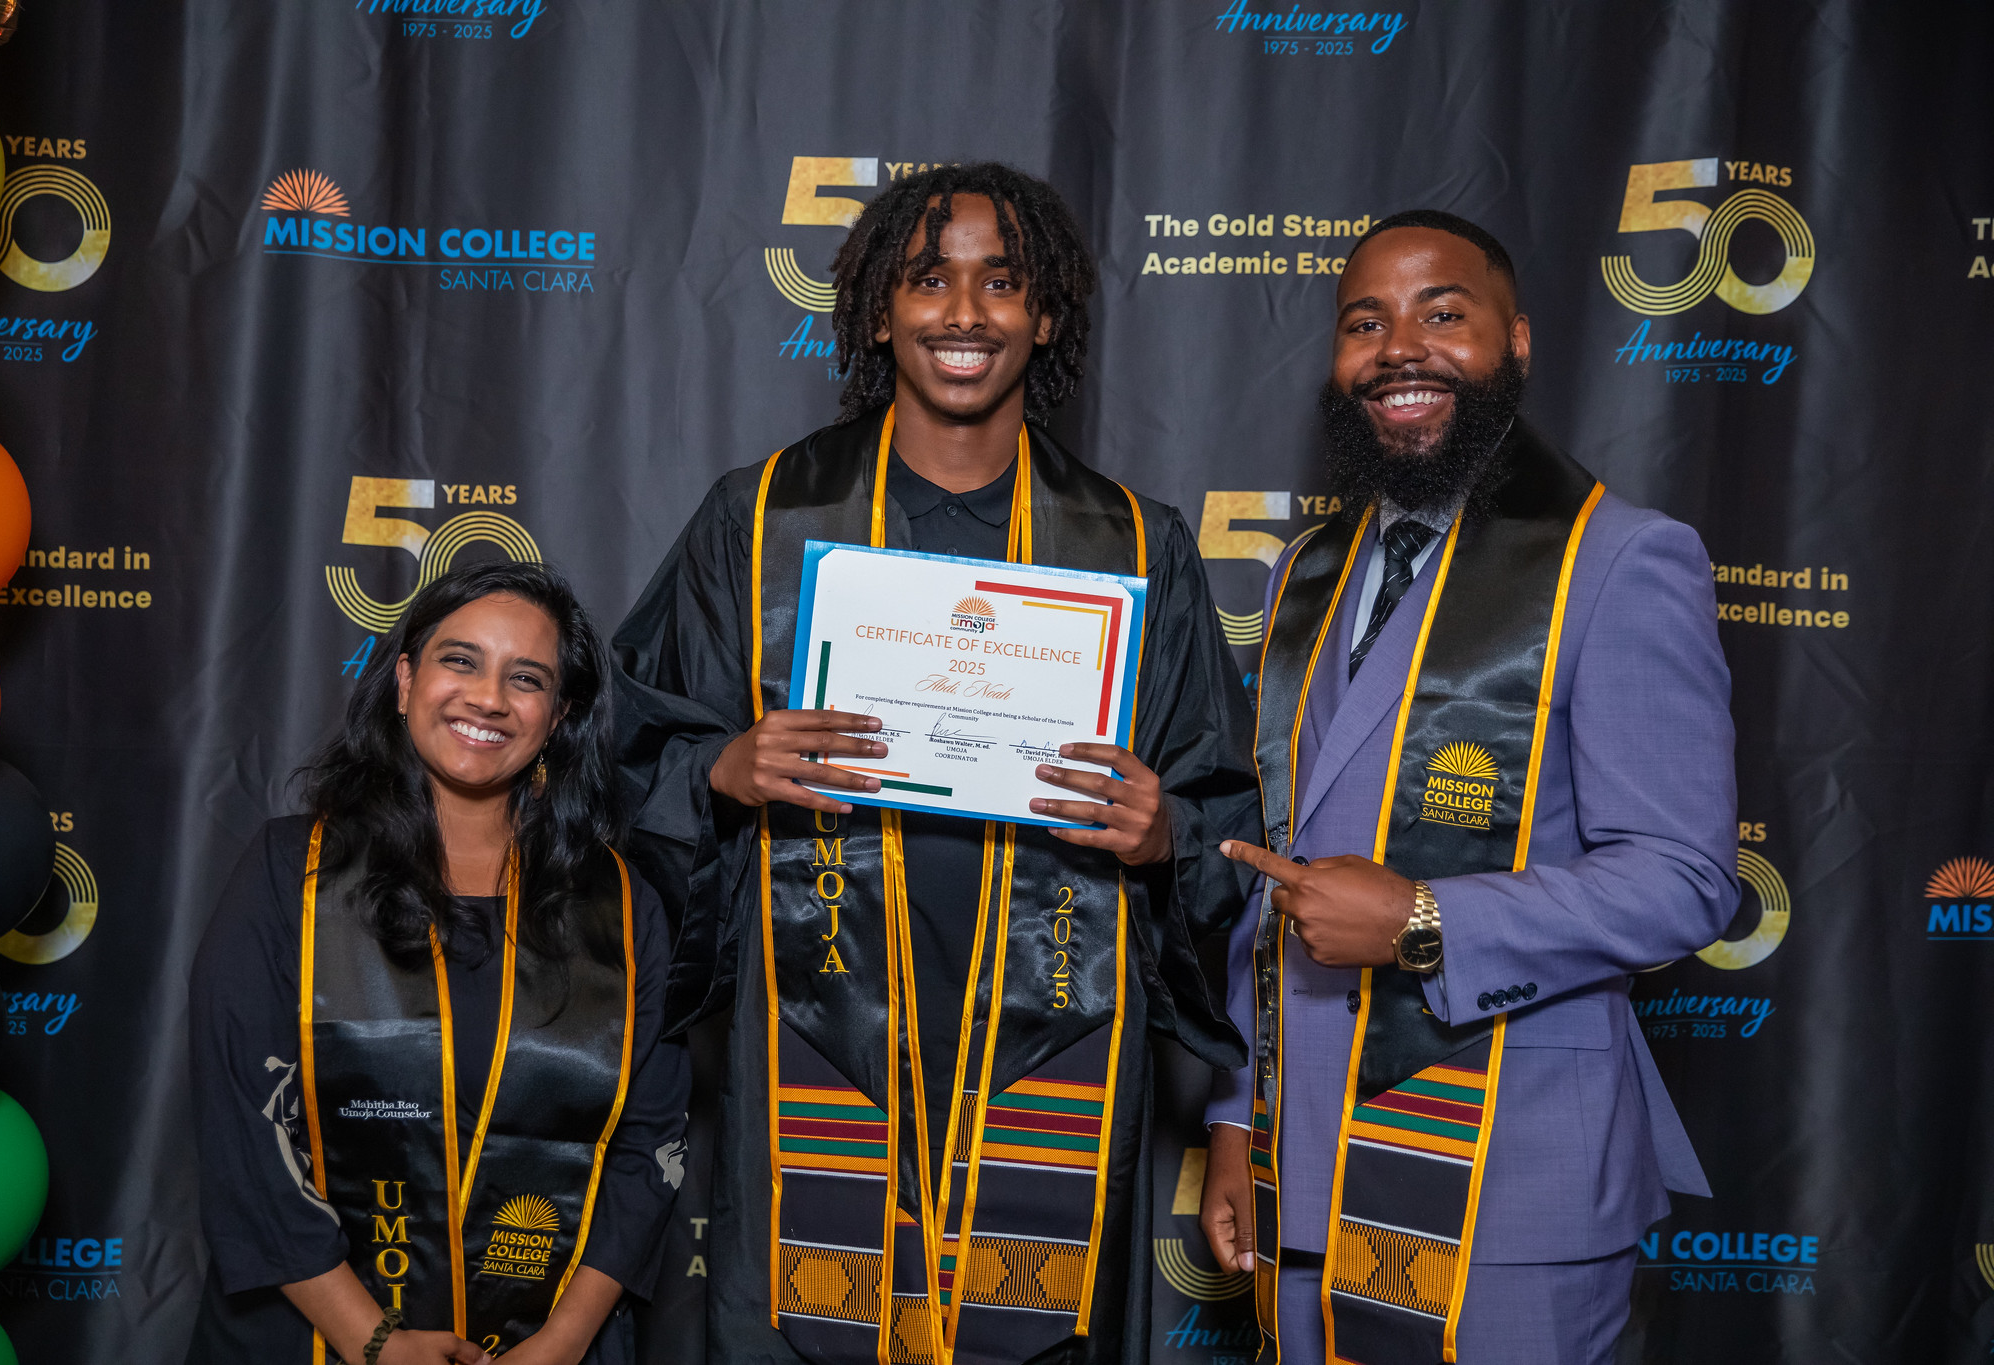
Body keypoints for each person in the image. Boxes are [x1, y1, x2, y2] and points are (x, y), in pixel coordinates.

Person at [613, 162, 1258, 1365]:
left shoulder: (1133, 543)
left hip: (1050, 1028)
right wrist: (723, 769)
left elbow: (1219, 805)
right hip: (819, 1024)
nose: (963, 312)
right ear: (871, 310)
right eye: (926, 280)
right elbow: (627, 746)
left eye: (1001, 282)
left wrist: (1163, 830)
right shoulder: (758, 521)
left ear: (1047, 315)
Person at [1199, 210, 1738, 1364]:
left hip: (1509, 1166)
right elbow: (1269, 878)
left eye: (1442, 313)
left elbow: (1686, 879)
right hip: (1305, 1163)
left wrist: (1426, 920)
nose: (1399, 348)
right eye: (1364, 323)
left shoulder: (1620, 558)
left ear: (1518, 342)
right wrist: (1239, 1117)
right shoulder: (1307, 573)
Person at [188, 561, 690, 1365]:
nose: (488, 698)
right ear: (404, 680)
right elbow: (249, 1136)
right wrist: (373, 1339)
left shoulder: (624, 908)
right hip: (312, 1340)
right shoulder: (293, 873)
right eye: (460, 660)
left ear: (558, 716)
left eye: (525, 678)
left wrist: (563, 1342)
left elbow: (650, 1144)